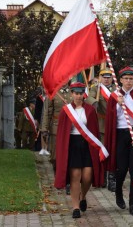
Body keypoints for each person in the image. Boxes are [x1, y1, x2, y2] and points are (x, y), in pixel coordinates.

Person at [54, 82, 105, 219]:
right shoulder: (66, 111)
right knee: (75, 176)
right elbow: (62, 133)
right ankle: (76, 207)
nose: (78, 96)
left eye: (80, 93)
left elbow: (95, 131)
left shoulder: (90, 110)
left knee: (88, 176)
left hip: (87, 145)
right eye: (76, 93)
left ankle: (83, 196)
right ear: (72, 94)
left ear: (84, 94)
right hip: (73, 145)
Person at [104, 67, 133, 216]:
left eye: (131, 79)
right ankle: (118, 192)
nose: (128, 81)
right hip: (120, 134)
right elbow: (110, 118)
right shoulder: (114, 96)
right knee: (121, 169)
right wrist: (118, 105)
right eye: (126, 79)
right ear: (120, 80)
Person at [86, 67, 117, 191]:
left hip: (114, 124)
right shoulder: (96, 89)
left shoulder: (117, 89)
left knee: (113, 151)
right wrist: (94, 102)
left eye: (109, 77)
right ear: (100, 78)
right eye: (104, 77)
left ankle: (112, 178)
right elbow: (88, 98)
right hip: (102, 124)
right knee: (103, 151)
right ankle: (102, 177)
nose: (106, 79)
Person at [41, 83, 71, 192]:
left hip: (71, 128)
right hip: (56, 128)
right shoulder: (53, 93)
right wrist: (44, 128)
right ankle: (58, 178)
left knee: (69, 155)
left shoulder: (74, 91)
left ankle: (68, 182)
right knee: (55, 156)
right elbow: (47, 112)